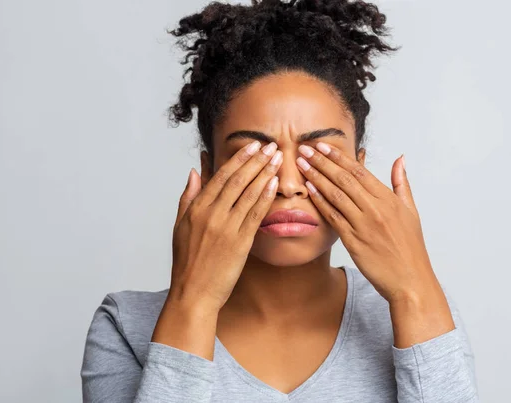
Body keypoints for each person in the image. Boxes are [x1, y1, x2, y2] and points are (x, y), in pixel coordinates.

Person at [80, 0, 479, 401]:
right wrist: (193, 303)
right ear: (211, 170)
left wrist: (414, 290)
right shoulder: (126, 327)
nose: (289, 184)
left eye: (318, 154)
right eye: (254, 156)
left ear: (360, 167)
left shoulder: (422, 310)